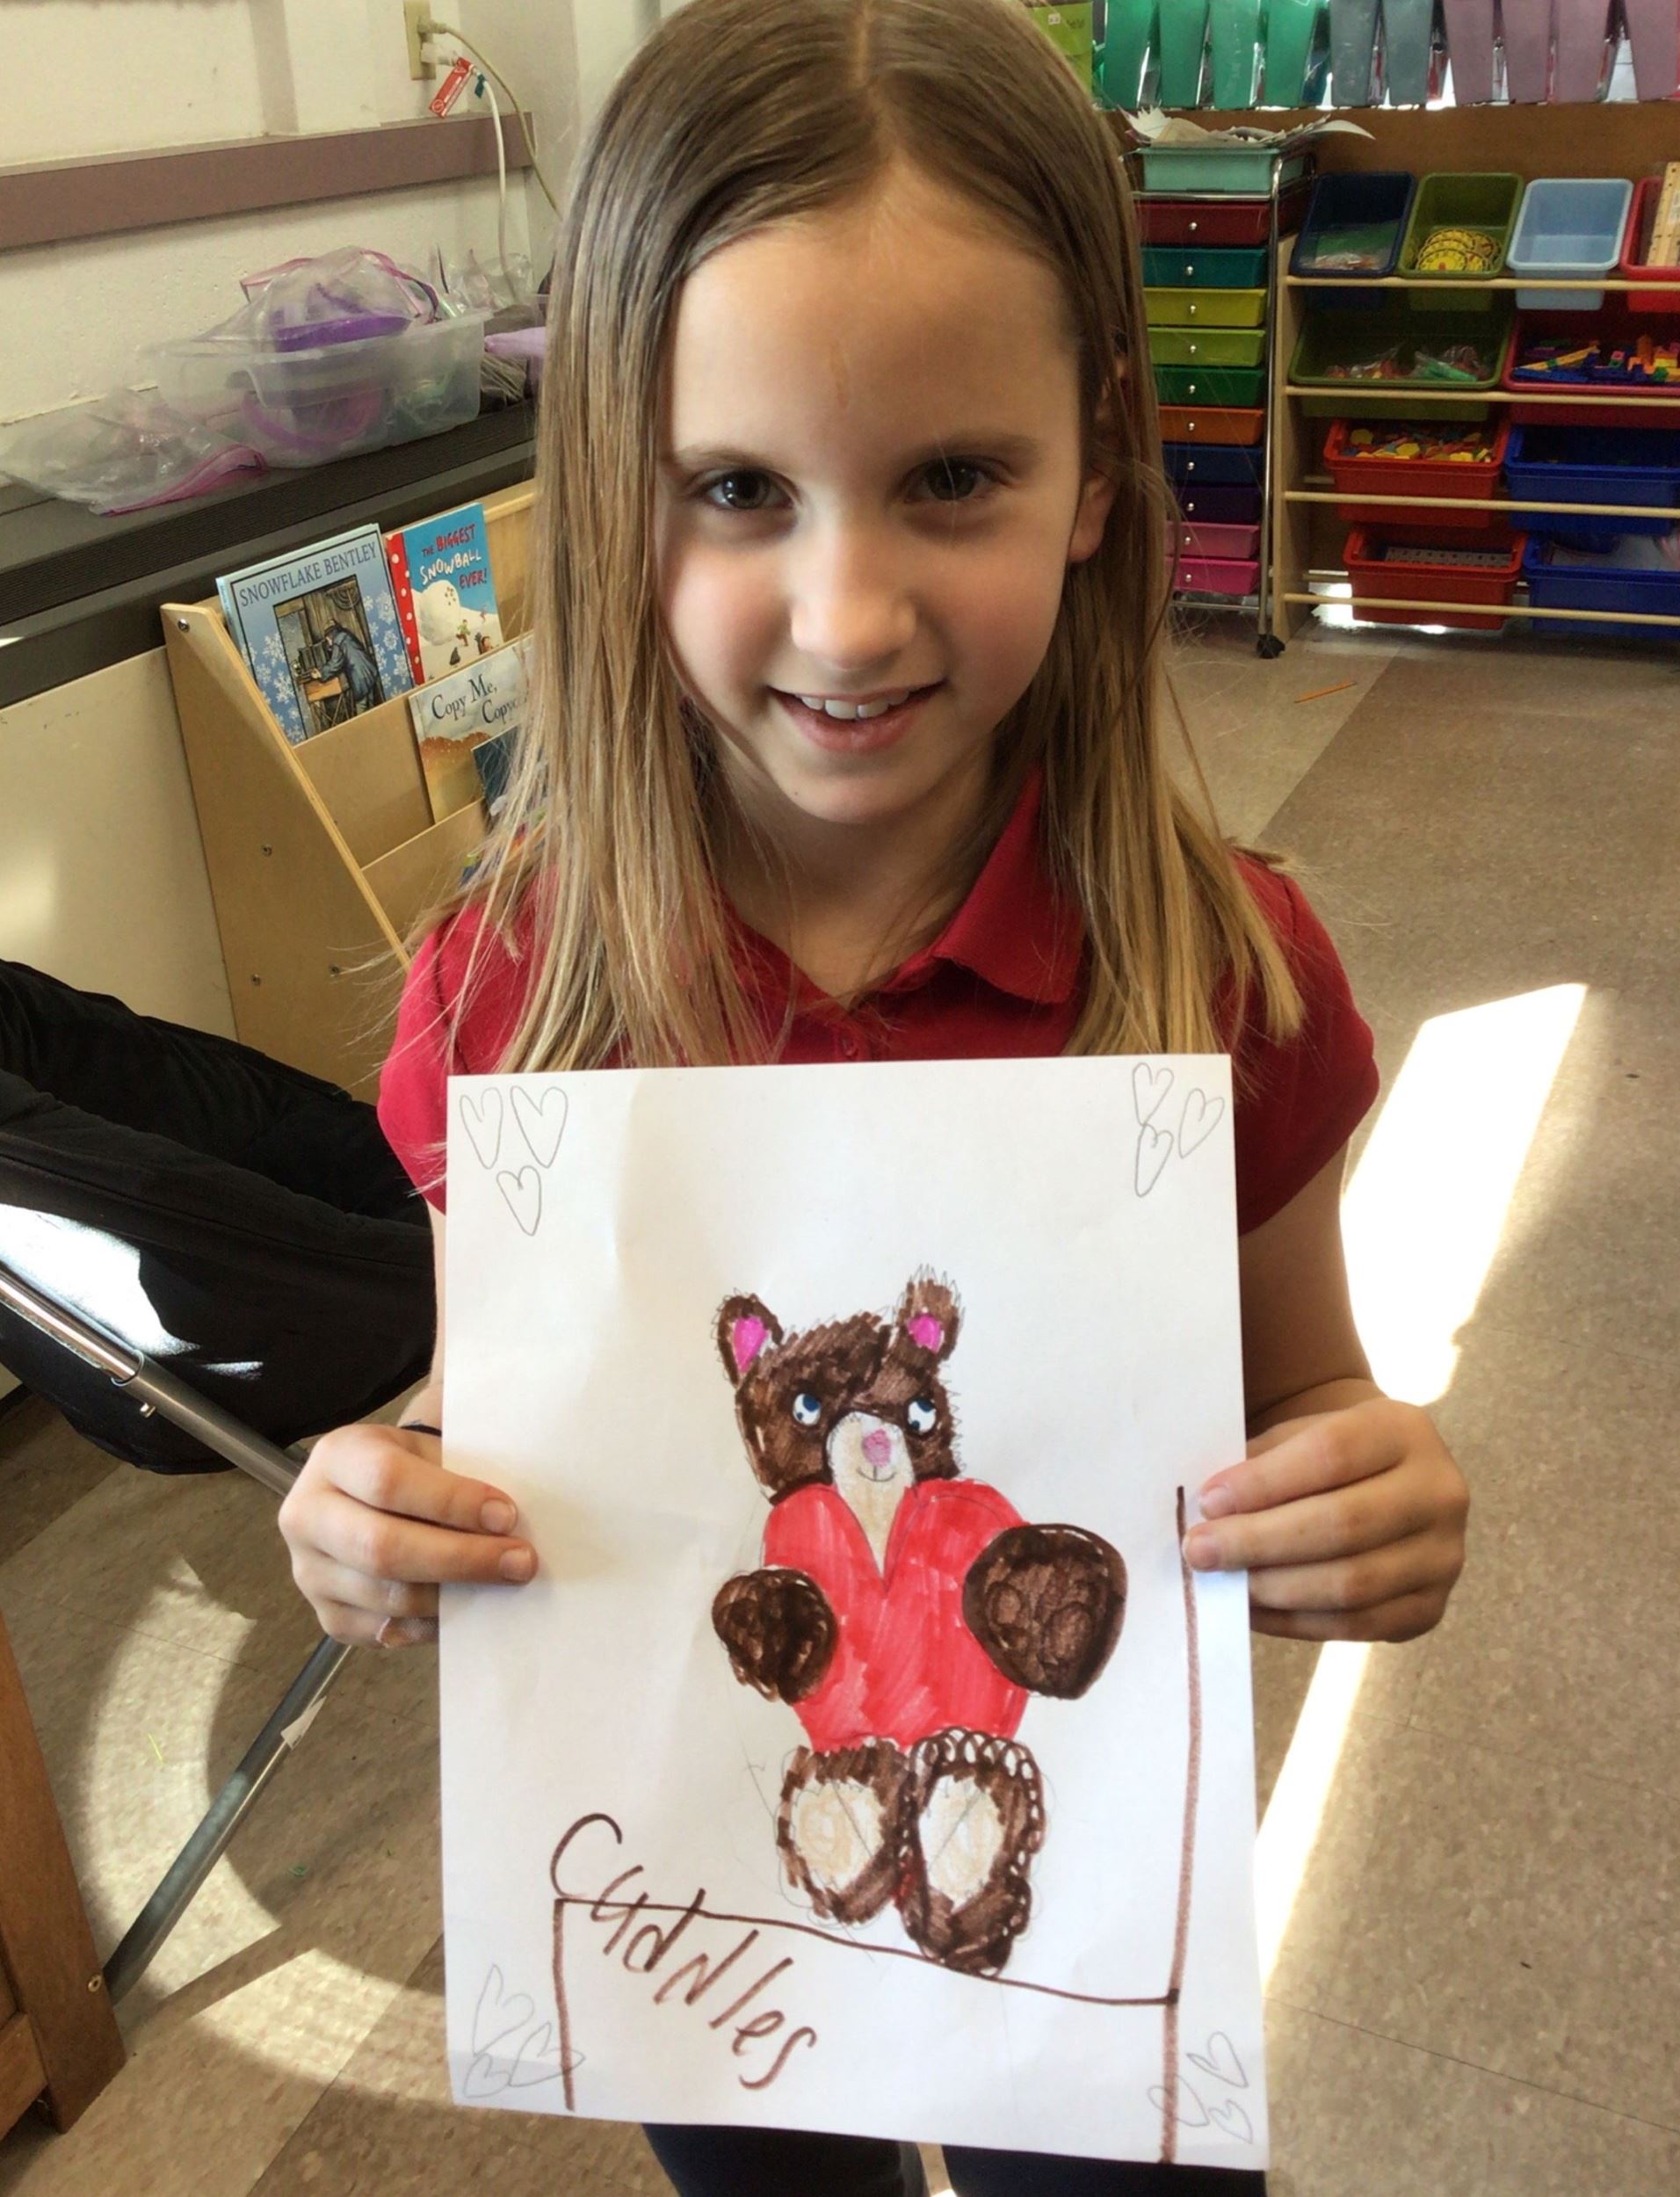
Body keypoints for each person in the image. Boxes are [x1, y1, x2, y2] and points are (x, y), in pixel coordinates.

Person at [277, 3, 1469, 2190]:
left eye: (950, 479)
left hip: (1079, 1915)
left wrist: (1363, 1488)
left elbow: (1307, 1390)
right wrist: (383, 1501)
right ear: (613, 494)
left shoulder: (1219, 971)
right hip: (713, 1905)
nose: (843, 616)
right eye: (737, 488)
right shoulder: (514, 994)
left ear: (1095, 471)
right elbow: (482, 1417)